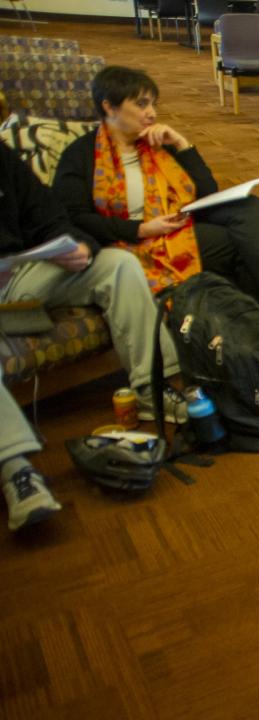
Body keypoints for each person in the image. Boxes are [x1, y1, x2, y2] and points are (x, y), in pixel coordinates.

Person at [53, 66, 259, 370]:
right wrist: (140, 228)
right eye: (141, 104)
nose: (151, 113)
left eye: (153, 104)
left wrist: (182, 145)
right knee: (243, 244)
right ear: (108, 106)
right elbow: (74, 218)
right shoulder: (82, 155)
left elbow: (205, 191)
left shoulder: (156, 145)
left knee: (248, 212)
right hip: (129, 243)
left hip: (174, 230)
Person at [1, 142, 183, 530]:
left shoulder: (3, 158)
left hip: (16, 276)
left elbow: (49, 215)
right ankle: (16, 471)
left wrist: (75, 246)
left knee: (116, 264)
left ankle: (153, 388)